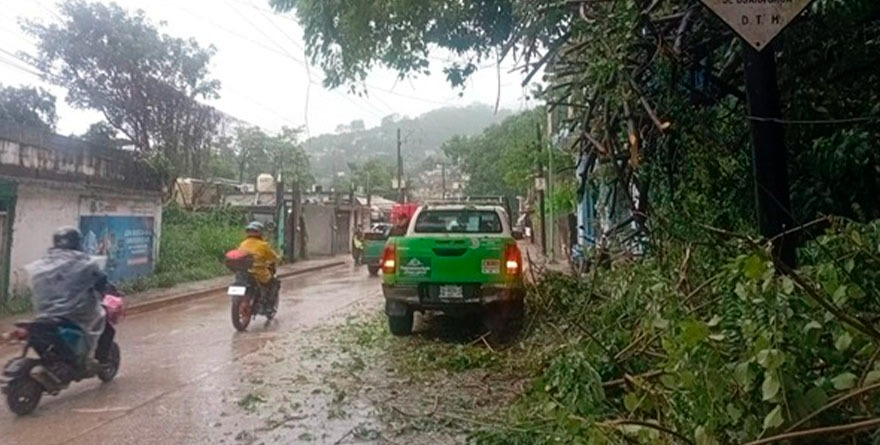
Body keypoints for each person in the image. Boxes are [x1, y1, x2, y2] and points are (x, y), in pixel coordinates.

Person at [26, 227, 116, 371]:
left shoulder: (42, 264)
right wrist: (112, 290)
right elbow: (101, 282)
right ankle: (98, 360)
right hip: (74, 314)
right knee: (106, 326)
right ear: (77, 242)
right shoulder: (84, 263)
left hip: (44, 314)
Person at [237, 221, 281, 311]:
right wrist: (279, 258)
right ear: (260, 232)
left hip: (243, 272)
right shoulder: (263, 245)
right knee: (274, 283)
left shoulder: (243, 243)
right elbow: (273, 257)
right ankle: (268, 306)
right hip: (259, 273)